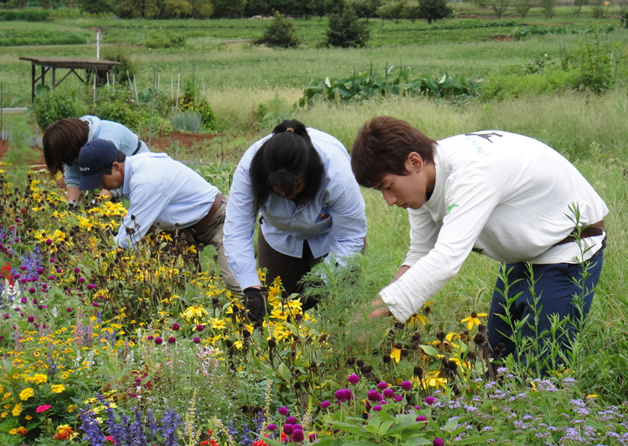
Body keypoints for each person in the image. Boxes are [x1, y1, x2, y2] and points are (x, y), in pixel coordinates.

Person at [350, 116, 608, 360]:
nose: (389, 201)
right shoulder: (424, 184)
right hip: (523, 256)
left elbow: (445, 259)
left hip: (568, 250)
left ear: (414, 161)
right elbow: (420, 255)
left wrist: (376, 313)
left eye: (388, 186)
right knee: (495, 360)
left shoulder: (471, 174)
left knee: (539, 372)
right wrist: (376, 308)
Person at [223, 119, 367, 320]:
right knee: (281, 313)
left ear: (309, 175)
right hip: (279, 237)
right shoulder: (250, 169)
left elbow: (350, 236)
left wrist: (325, 283)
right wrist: (250, 287)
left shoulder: (336, 173)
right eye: (277, 189)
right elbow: (237, 231)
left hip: (332, 237)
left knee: (338, 313)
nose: (285, 193)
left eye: (294, 187)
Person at [78, 138, 239, 293]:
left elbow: (130, 236)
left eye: (100, 180)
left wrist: (97, 265)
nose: (100, 186)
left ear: (115, 167)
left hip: (218, 219)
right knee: (177, 286)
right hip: (183, 229)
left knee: (237, 282)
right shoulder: (136, 168)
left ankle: (258, 317)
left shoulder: (146, 180)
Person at [43, 115, 149, 203]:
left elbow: (115, 179)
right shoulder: (74, 139)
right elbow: (73, 177)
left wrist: (95, 206)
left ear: (74, 149)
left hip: (137, 172)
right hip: (113, 177)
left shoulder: (106, 140)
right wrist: (71, 207)